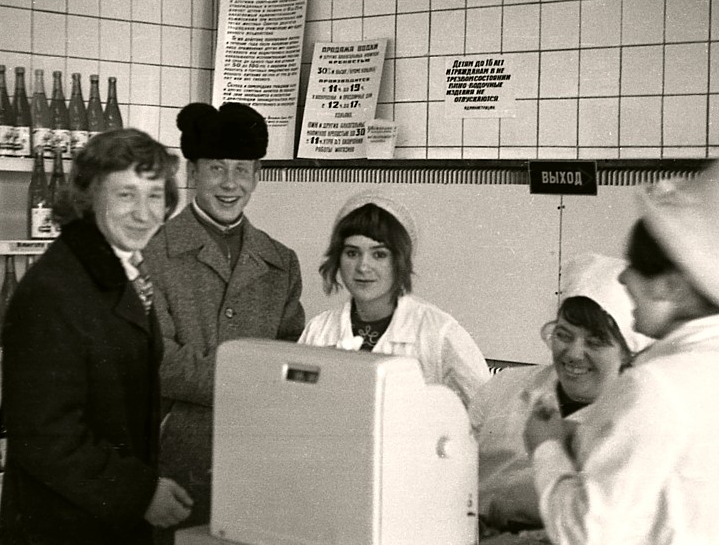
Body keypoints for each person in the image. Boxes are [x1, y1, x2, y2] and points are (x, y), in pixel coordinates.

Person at [0, 129, 192, 545]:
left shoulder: (119, 270)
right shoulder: (55, 289)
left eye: (155, 195)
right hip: (63, 527)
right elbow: (45, 435)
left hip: (100, 519)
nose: (144, 213)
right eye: (126, 195)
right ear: (88, 197)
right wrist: (140, 494)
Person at [524, 161, 719, 544]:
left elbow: (587, 532)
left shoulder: (656, 385)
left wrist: (545, 446)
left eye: (636, 268)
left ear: (673, 286)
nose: (623, 277)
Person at [142, 102, 305, 538]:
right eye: (216, 168)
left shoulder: (281, 262)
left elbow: (292, 358)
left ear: (257, 175)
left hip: (259, 457)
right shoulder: (151, 253)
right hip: (172, 462)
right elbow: (157, 361)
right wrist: (254, 379)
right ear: (192, 173)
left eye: (242, 169)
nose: (230, 183)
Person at [470, 253, 651, 535]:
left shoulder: (640, 418)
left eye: (595, 342)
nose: (574, 354)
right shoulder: (504, 386)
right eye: (564, 335)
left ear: (628, 353)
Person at [298, 190, 489, 408]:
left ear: (400, 260)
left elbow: (488, 413)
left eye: (379, 254)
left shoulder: (440, 333)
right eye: (352, 253)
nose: (363, 266)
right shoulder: (318, 330)